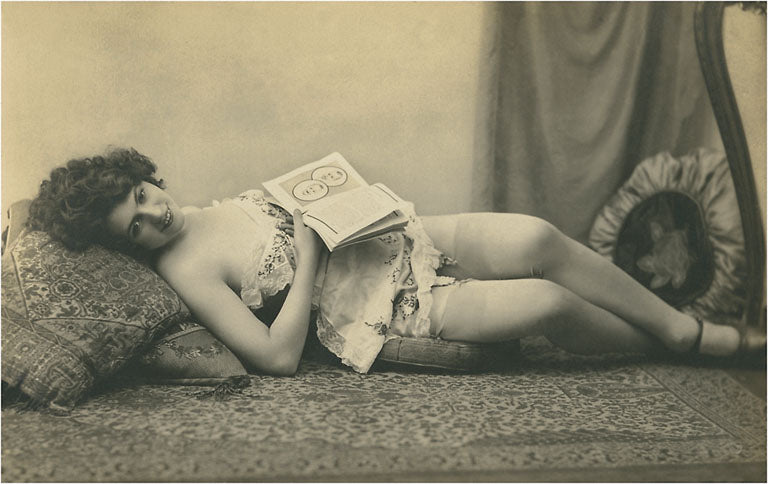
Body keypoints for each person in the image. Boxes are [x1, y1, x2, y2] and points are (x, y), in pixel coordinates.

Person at [27, 148, 765, 375]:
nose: (155, 213)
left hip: (397, 243)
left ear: (144, 176)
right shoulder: (185, 272)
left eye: (142, 194)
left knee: (538, 237)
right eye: (136, 227)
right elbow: (276, 358)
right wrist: (308, 254)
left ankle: (678, 328)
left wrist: (345, 205)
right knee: (547, 304)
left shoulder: (209, 206)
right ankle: (679, 343)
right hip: (384, 306)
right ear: (127, 246)